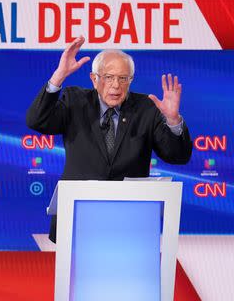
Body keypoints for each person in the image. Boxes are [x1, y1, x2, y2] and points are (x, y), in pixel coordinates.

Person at [26, 36, 192, 242]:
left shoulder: (147, 108)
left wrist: (173, 120)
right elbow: (36, 121)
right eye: (109, 77)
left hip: (129, 221)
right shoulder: (75, 101)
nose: (116, 85)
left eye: (123, 78)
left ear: (130, 80)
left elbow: (177, 156)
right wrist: (59, 76)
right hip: (77, 217)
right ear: (94, 79)